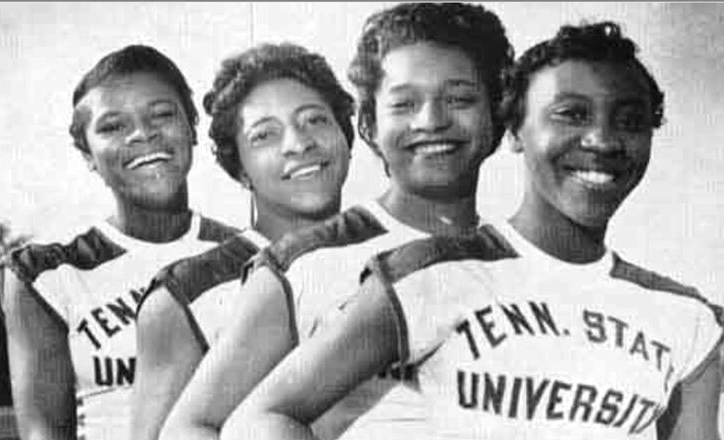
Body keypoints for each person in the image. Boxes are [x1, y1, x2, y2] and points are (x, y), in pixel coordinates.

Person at [237, 21, 724, 440]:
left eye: (630, 120)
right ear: (513, 132)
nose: (601, 139)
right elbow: (262, 417)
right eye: (571, 114)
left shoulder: (686, 318)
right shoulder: (429, 273)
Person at [158, 3, 515, 440]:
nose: (432, 121)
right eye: (404, 103)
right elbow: (192, 426)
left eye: (459, 99)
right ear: (367, 125)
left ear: (498, 113)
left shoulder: (516, 263)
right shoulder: (302, 263)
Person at [0, 45, 238, 440]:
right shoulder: (49, 275)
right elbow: (43, 433)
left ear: (192, 127)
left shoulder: (248, 255)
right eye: (112, 126)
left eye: (162, 114)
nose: (142, 133)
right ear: (88, 154)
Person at [131, 42, 354, 440]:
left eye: (316, 120)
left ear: (345, 135)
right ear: (240, 168)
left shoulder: (396, 254)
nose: (298, 143)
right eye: (265, 135)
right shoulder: (183, 295)